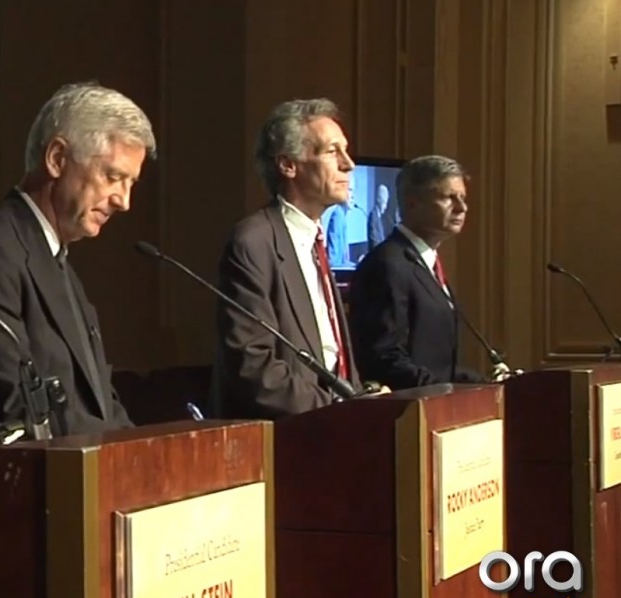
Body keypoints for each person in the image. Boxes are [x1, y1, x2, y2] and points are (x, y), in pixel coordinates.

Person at [0, 82, 155, 442]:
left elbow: (101, 403)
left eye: (131, 183)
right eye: (113, 177)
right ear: (57, 159)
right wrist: (121, 450)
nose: (124, 201)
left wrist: (143, 454)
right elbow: (9, 412)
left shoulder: (58, 263)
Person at [209, 97, 374, 421]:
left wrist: (358, 400)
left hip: (339, 429)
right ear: (288, 165)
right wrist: (339, 408)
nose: (348, 164)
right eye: (331, 151)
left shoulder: (317, 241)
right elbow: (253, 365)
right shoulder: (254, 242)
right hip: (288, 436)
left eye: (346, 150)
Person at [348, 155, 487, 388]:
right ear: (413, 203)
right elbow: (385, 359)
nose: (462, 208)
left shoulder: (426, 262)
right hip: (406, 416)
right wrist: (450, 393)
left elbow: (436, 364)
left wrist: (486, 384)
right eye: (449, 198)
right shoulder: (387, 264)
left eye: (462, 198)